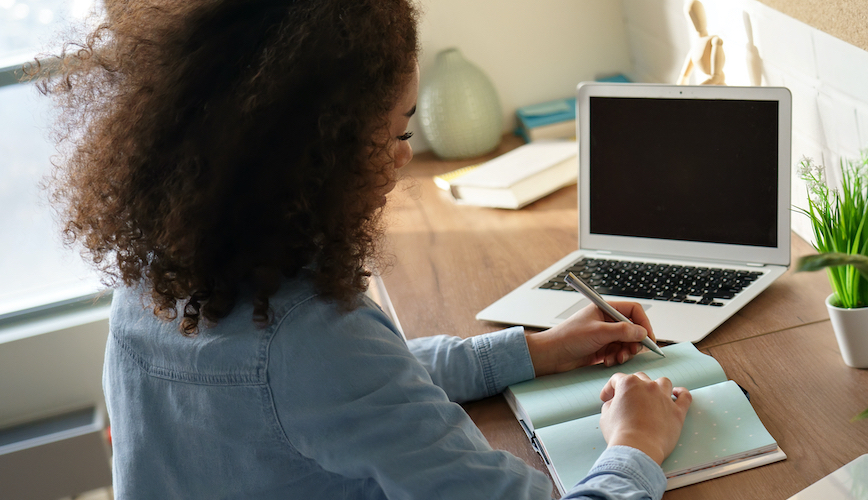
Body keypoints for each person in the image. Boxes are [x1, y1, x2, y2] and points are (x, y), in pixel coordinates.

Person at [39, 0, 692, 498]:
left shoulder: (158, 273)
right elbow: (333, 374)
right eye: (397, 130)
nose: (405, 157)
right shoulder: (311, 336)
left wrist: (530, 350)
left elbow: (345, 391)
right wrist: (636, 441)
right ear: (316, 155)